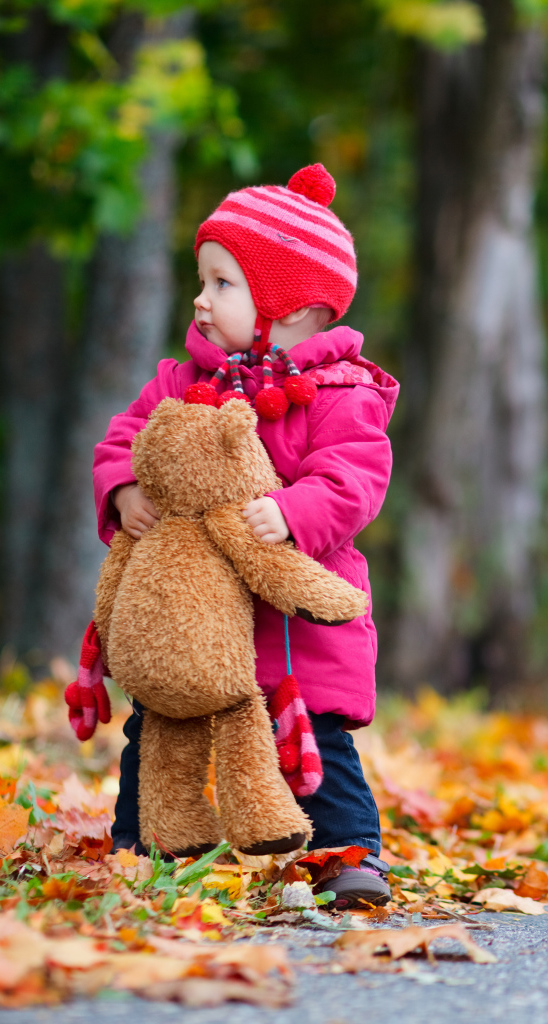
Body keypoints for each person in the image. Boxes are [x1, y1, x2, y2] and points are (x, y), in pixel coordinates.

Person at [92, 163, 398, 907]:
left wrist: (294, 514)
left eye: (223, 283)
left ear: (295, 308)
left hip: (295, 626)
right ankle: (143, 845)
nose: (201, 299)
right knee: (157, 726)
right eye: (202, 280)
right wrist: (125, 489)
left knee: (313, 742)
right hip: (193, 617)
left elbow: (355, 478)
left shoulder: (339, 394)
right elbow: (123, 439)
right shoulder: (181, 383)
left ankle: (348, 855)